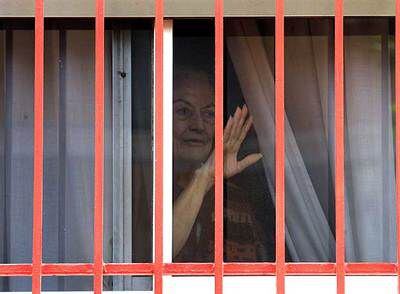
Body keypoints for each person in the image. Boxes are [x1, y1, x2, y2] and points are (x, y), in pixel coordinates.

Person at [173, 51, 269, 262]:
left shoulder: (235, 200)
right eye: (182, 111)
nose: (197, 126)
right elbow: (154, 256)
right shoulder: (139, 186)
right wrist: (205, 176)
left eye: (209, 114)